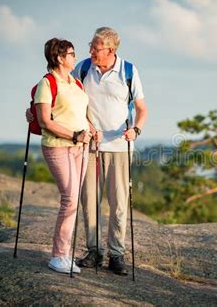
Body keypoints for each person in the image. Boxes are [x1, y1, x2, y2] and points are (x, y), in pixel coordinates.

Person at [27, 27, 148, 276]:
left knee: (118, 203)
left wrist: (136, 129)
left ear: (110, 50)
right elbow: (64, 104)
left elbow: (141, 108)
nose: (90, 50)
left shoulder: (128, 70)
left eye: (95, 47)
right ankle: (94, 251)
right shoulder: (82, 69)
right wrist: (34, 115)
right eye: (90, 45)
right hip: (88, 146)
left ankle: (116, 254)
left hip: (119, 146)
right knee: (88, 201)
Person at [33, 38, 92, 274]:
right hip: (58, 146)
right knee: (70, 198)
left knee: (73, 200)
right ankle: (58, 256)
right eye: (71, 53)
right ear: (59, 58)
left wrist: (90, 128)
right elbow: (44, 120)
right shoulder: (46, 83)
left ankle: (66, 254)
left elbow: (80, 113)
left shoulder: (76, 83)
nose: (75, 57)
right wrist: (75, 135)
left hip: (81, 146)